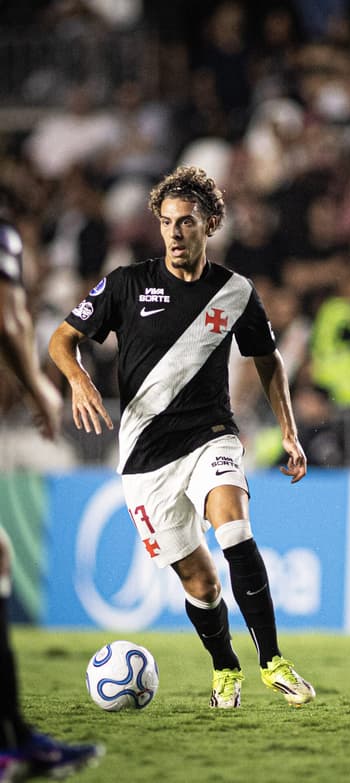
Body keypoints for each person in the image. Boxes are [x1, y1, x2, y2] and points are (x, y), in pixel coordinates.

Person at [48, 166, 315, 710]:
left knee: (235, 528)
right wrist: (78, 379)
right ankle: (226, 668)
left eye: (187, 221)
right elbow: (61, 338)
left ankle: (272, 662)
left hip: (211, 436)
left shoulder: (236, 292)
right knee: (202, 585)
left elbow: (268, 359)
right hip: (145, 457)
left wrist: (289, 431)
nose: (174, 232)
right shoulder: (125, 283)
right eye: (167, 222)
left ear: (210, 224)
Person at [0, 196, 103, 780]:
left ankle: (13, 740)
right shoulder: (4, 237)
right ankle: (12, 742)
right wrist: (39, 386)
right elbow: (10, 317)